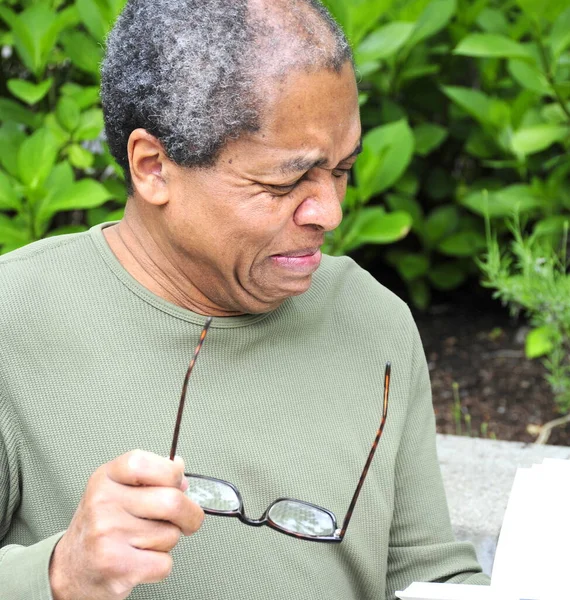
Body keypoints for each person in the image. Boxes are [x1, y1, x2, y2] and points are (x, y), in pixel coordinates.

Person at [0, 0, 490, 598]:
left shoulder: (373, 318)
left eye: (343, 170)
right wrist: (59, 572)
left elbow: (426, 571)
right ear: (153, 167)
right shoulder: (15, 317)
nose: (330, 213)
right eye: (284, 182)